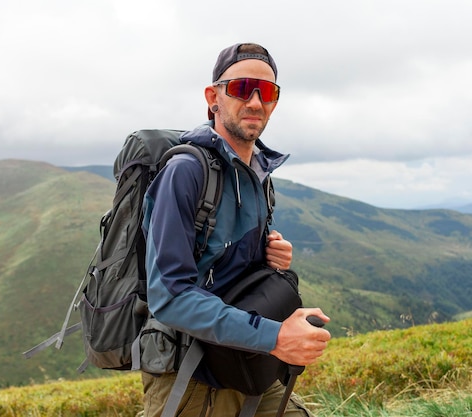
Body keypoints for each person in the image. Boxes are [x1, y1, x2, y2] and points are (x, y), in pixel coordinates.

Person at [140, 42, 331, 417]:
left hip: (243, 358)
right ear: (214, 97)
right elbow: (170, 296)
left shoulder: (258, 172)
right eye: (242, 88)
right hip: (193, 372)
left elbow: (222, 264)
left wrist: (268, 258)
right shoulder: (186, 172)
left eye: (269, 92)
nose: (257, 102)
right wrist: (274, 336)